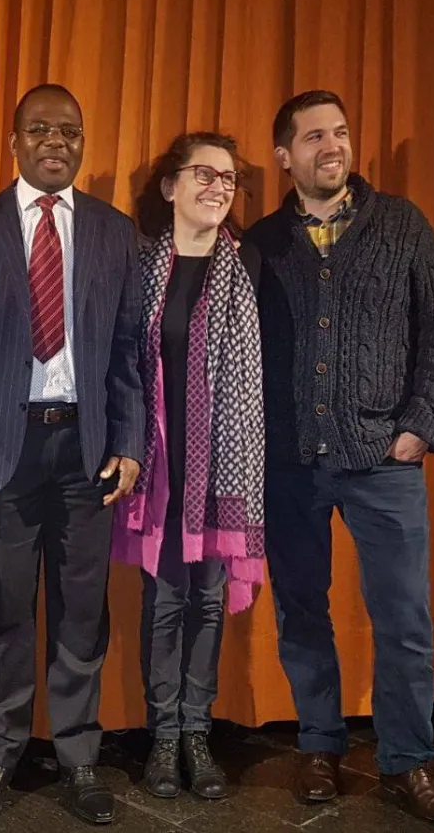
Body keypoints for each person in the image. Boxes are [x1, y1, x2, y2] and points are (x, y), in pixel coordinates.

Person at [244, 90, 434, 825]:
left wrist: (420, 426)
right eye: (314, 137)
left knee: (403, 620)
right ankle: (319, 744)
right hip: (290, 465)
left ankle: (407, 760)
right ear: (285, 156)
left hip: (383, 461)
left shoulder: (402, 225)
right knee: (302, 611)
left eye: (339, 132)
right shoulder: (261, 242)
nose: (331, 145)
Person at [0, 83, 144, 827]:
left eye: (70, 131)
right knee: (2, 611)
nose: (56, 141)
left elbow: (128, 350)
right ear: (14, 141)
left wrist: (129, 440)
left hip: (87, 452)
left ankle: (80, 756)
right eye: (40, 129)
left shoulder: (116, 233)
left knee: (82, 612)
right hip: (1, 450)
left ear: (83, 143)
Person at [114, 132, 266, 801]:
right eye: (204, 173)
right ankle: (164, 735)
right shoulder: (141, 266)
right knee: (165, 602)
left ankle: (197, 735)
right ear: (170, 186)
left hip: (224, 471)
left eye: (229, 178)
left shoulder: (247, 265)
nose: (218, 187)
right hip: (159, 468)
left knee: (207, 600)